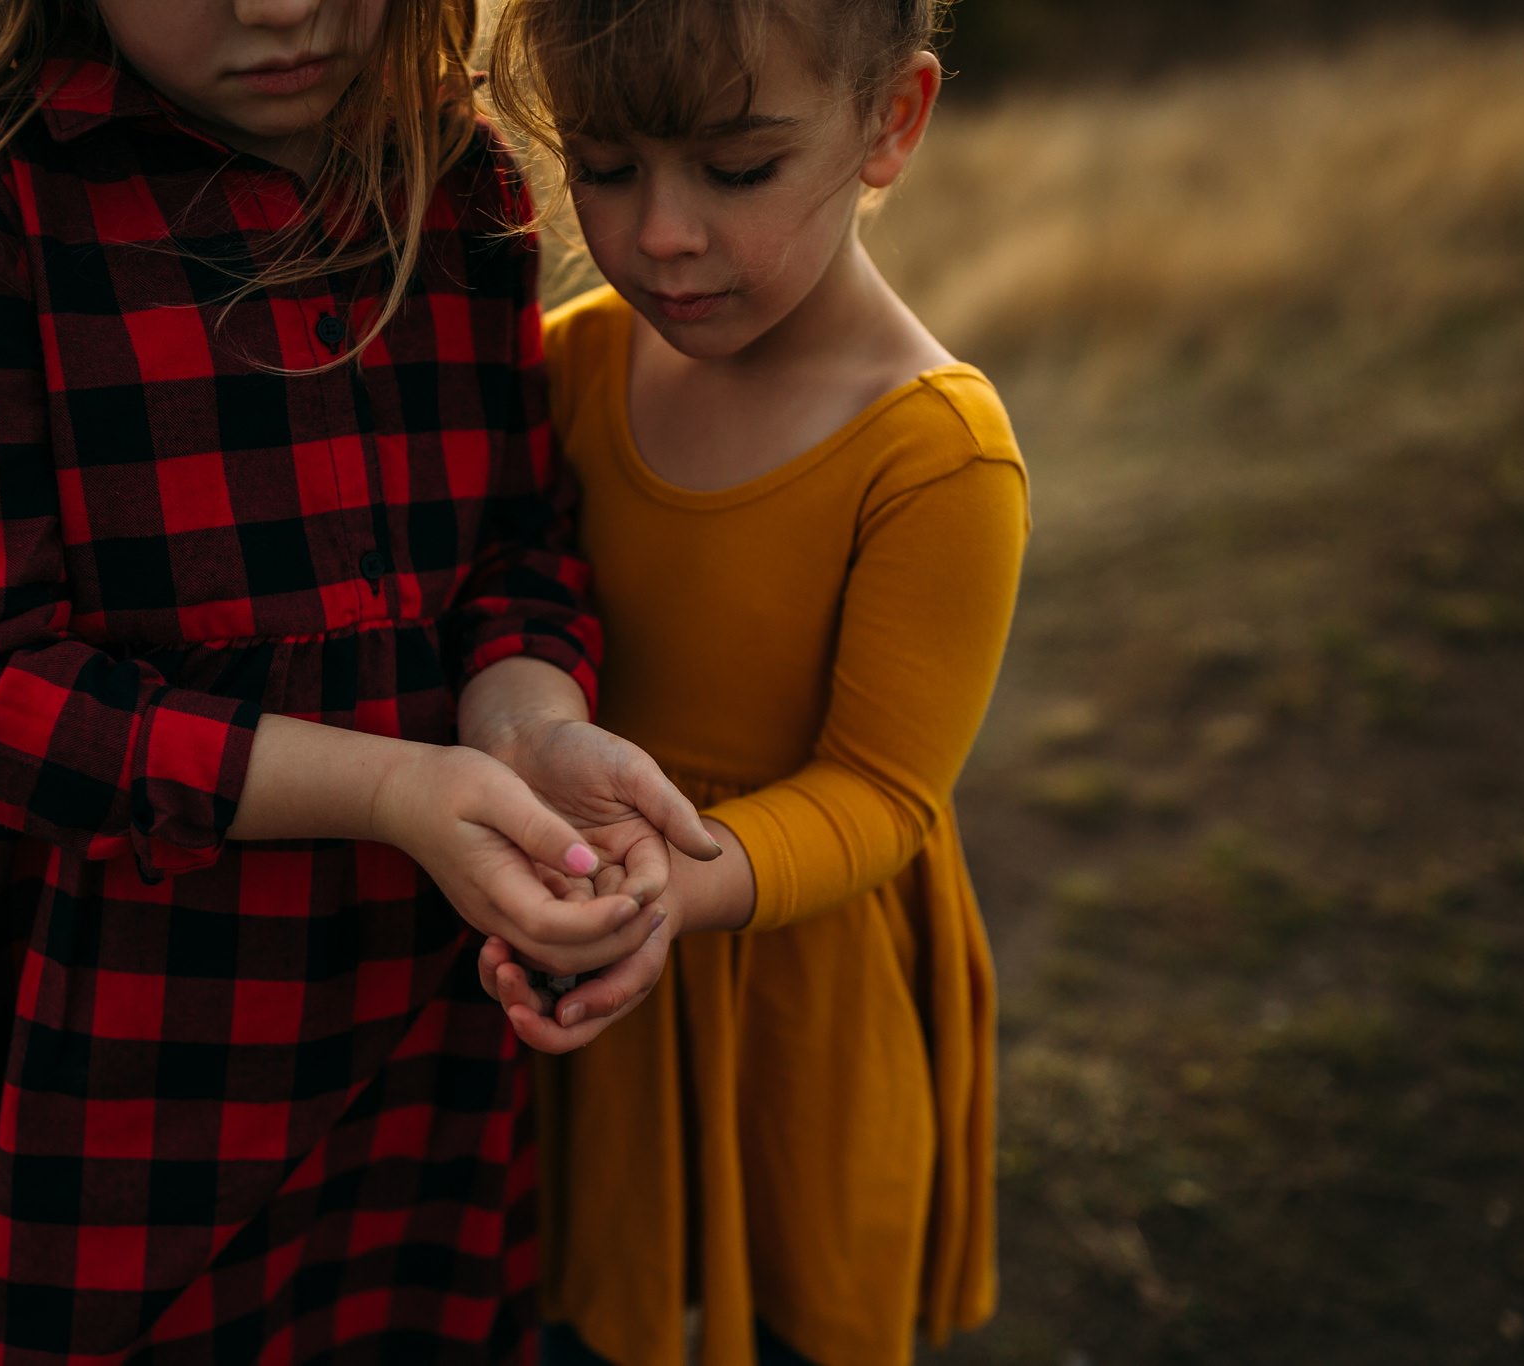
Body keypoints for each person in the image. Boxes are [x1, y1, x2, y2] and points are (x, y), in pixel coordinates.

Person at [0, 0, 722, 1359]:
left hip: (427, 1035)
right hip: (134, 1069)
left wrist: (531, 727)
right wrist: (389, 788)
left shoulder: (453, 176)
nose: (281, 6)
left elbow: (512, 551)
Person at [474, 0, 1029, 1360]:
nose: (661, 232)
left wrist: (680, 882)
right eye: (604, 166)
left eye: (736, 170)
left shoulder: (934, 453)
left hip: (800, 1007)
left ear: (889, 123)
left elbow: (881, 791)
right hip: (596, 984)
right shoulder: (574, 362)